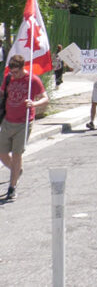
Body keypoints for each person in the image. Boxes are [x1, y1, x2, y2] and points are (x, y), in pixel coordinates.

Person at [0, 55, 49, 200]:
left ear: (23, 68)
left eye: (16, 72)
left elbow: (45, 98)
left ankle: (12, 187)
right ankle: (16, 170)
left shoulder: (33, 80)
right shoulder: (9, 78)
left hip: (24, 122)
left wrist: (34, 104)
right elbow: (3, 92)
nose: (14, 75)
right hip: (8, 120)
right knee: (2, 153)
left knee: (17, 154)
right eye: (12, 72)